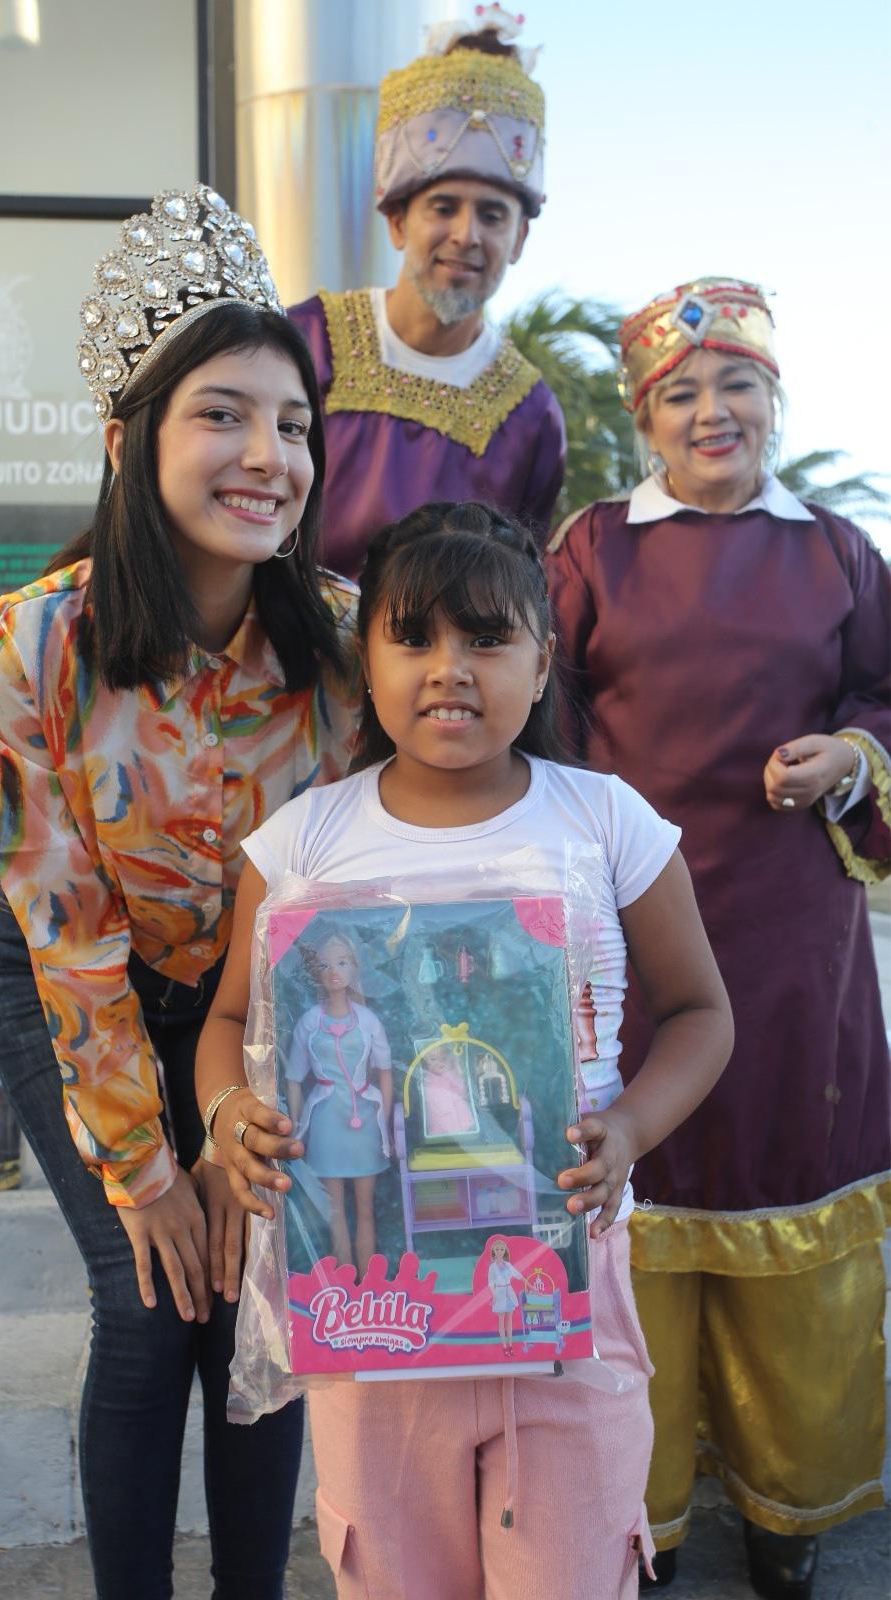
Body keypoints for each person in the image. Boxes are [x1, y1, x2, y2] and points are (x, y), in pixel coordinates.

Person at [197, 501, 734, 1599]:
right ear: (369, 659)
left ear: (542, 664)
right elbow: (225, 1023)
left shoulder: (604, 820)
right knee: (394, 1570)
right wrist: (226, 1118)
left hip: (567, 1287)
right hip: (373, 1310)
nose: (451, 668)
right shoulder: (304, 841)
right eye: (416, 637)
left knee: (573, 1568)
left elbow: (699, 1012)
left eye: (488, 637)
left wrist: (628, 1125)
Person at [0, 184, 360, 1600]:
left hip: (259, 1002)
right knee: (150, 1304)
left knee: (258, 1299)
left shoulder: (345, 648)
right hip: (73, 983)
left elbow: (349, 897)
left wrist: (250, 1114)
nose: (268, 454)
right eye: (223, 414)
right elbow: (64, 934)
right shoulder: (32, 644)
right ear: (132, 437)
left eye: (295, 423)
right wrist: (148, 1168)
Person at [547, 277, 891, 1600]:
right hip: (625, 935)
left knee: (791, 1188)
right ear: (644, 414)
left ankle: (790, 1508)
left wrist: (855, 753)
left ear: (771, 397)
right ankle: (641, 1518)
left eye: (734, 383)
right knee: (641, 1192)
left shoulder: (838, 555)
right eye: (680, 391)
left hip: (790, 938)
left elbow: (883, 694)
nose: (711, 410)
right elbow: (547, 718)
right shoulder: (589, 550)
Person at [289, 13, 566, 577]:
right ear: (397, 221)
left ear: (519, 239)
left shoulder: (531, 417)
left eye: (493, 215)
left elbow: (523, 598)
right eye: (443, 208)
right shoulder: (303, 342)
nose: (467, 235)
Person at [286, 930, 393, 1272]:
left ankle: (371, 1283)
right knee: (334, 1211)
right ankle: (345, 1287)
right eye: (325, 964)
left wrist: (384, 1120)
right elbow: (294, 1078)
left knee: (364, 1208)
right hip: (326, 1122)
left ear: (355, 968)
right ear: (315, 971)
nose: (334, 971)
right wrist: (296, 1127)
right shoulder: (308, 1023)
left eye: (342, 963)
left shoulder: (369, 1021)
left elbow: (386, 1071)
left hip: (363, 1119)